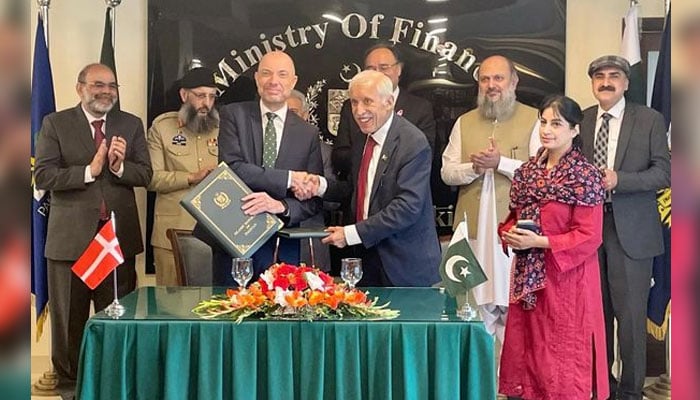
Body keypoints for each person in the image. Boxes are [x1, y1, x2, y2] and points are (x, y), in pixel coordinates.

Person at [34, 63, 152, 394]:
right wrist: (89, 170)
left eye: (112, 85)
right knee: (69, 324)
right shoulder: (55, 123)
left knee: (116, 319)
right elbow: (43, 176)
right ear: (80, 88)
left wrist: (118, 167)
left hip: (116, 239)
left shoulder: (130, 124)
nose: (106, 91)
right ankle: (70, 387)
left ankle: (113, 385)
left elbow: (145, 175)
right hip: (70, 242)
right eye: (98, 84)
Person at [498, 94, 608, 399]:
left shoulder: (585, 176)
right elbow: (513, 218)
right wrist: (509, 234)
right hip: (529, 279)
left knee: (561, 354)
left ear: (574, 130)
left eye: (556, 123)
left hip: (568, 279)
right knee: (530, 347)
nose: (547, 129)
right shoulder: (526, 173)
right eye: (543, 122)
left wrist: (541, 242)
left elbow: (589, 235)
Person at [580, 55, 671, 400]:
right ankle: (601, 388)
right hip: (588, 233)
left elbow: (664, 172)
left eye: (614, 76)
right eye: (599, 76)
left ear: (626, 83)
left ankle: (631, 393)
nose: (606, 81)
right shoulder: (583, 120)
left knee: (631, 320)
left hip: (632, 233)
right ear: (592, 82)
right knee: (595, 317)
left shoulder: (649, 119)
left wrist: (620, 179)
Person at [194, 51, 323, 285]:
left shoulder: (308, 134)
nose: (274, 81)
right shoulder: (233, 114)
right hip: (234, 236)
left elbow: (313, 200)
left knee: (281, 316)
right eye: (266, 73)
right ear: (256, 78)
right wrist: (289, 179)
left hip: (282, 243)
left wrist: (280, 205)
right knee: (230, 312)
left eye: (282, 74)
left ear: (293, 82)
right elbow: (233, 168)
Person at [305, 70, 440, 287]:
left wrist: (352, 233)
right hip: (367, 260)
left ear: (389, 102)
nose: (359, 111)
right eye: (355, 102)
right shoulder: (362, 138)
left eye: (368, 102)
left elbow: (407, 207)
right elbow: (358, 189)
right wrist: (320, 186)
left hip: (403, 266)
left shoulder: (413, 142)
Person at [440, 55, 539, 339]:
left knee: (513, 315)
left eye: (498, 78)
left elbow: (539, 175)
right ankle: (477, 381)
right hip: (470, 234)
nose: (491, 85)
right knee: (471, 310)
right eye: (485, 79)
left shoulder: (534, 119)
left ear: (514, 82)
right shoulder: (464, 122)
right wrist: (474, 167)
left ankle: (508, 382)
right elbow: (447, 172)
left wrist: (501, 163)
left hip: (513, 235)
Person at [146, 67, 219, 285]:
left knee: (213, 305)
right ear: (184, 95)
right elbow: (151, 178)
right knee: (171, 308)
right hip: (172, 234)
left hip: (215, 232)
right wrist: (191, 177)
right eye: (200, 95)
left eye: (211, 96)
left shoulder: (223, 128)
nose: (206, 103)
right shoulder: (162, 127)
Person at [332, 43, 436, 182]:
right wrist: (368, 154)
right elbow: (340, 156)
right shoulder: (350, 107)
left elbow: (425, 157)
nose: (377, 73)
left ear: (399, 69)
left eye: (384, 67)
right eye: (371, 68)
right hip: (357, 191)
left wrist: (381, 156)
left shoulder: (420, 108)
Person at [286, 89, 336, 271]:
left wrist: (311, 188)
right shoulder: (266, 148)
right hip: (273, 242)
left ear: (306, 115)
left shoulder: (324, 151)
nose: (287, 119)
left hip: (311, 241)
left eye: (293, 113)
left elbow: (333, 202)